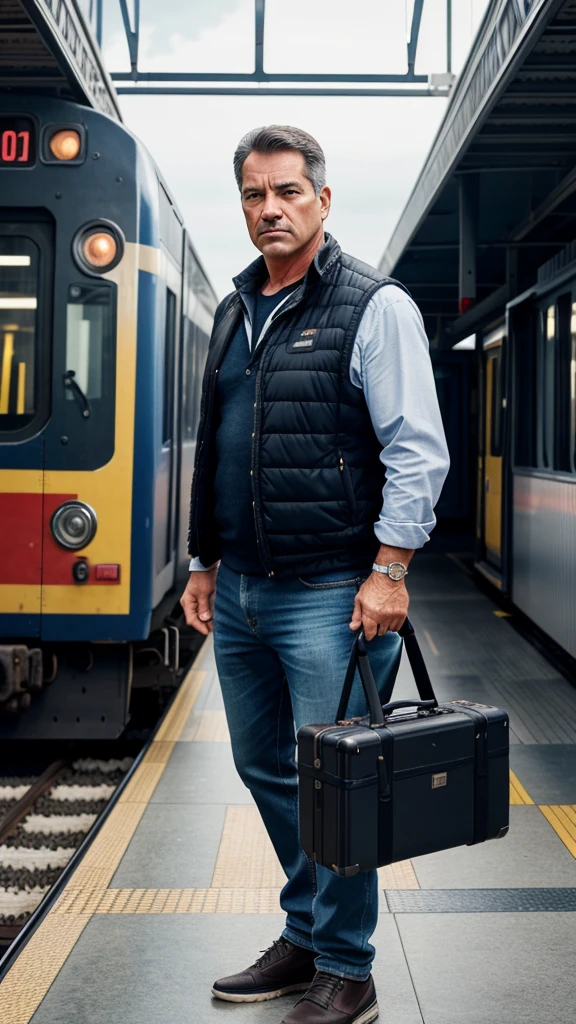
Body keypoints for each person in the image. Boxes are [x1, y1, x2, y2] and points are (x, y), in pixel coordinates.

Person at [181, 125, 449, 1024]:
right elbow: (221, 447)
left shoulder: (375, 306)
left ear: (322, 201)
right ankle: (305, 935)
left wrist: (390, 569)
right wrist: (204, 562)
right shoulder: (234, 310)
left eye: (287, 192)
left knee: (336, 780)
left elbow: (417, 452)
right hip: (246, 587)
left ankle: (347, 966)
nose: (269, 209)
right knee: (265, 766)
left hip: (333, 591)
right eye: (254, 194)